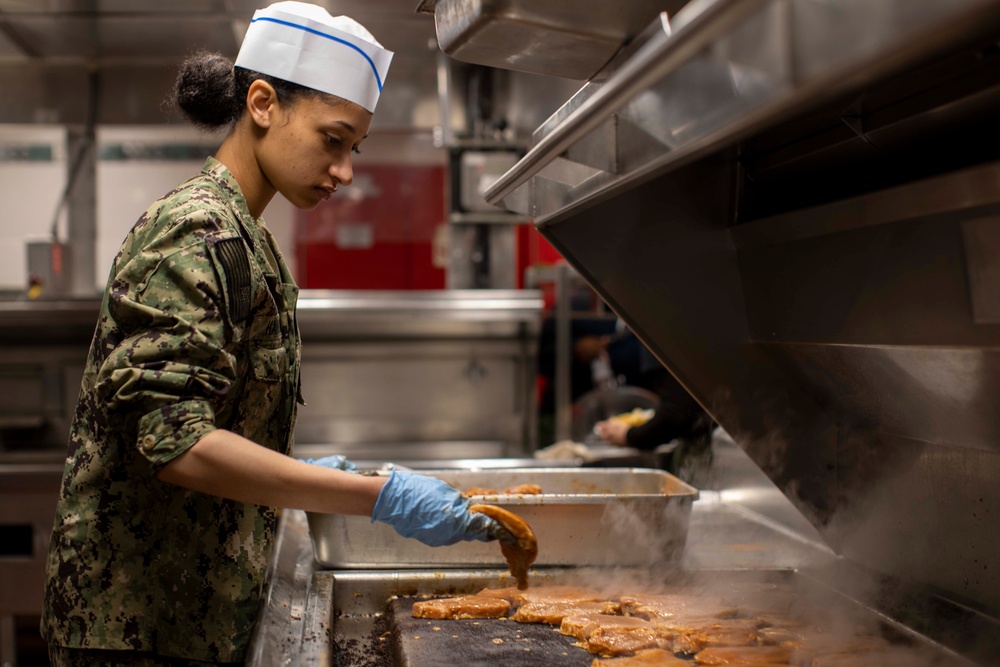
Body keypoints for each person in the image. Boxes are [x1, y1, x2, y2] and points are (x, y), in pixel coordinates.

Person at [40, 3, 506, 666]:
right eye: (333, 139)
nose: (345, 170)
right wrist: (376, 496)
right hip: (134, 630)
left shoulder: (246, 238)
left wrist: (298, 470)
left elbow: (211, 419)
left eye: (354, 148)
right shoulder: (195, 229)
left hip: (189, 615)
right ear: (262, 102)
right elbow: (175, 444)